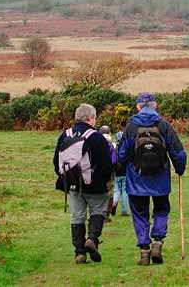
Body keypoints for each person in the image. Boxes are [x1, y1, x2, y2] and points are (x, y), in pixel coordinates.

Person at [118, 92, 187, 266]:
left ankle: (144, 251)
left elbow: (122, 154)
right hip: (160, 179)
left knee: (140, 214)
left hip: (136, 180)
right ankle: (157, 241)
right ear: (155, 105)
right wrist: (180, 169)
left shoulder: (131, 127)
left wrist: (120, 169)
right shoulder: (164, 125)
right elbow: (178, 152)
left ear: (138, 107)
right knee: (161, 210)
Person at [53, 104, 113, 264]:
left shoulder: (65, 135)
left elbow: (56, 162)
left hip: (72, 185)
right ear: (91, 118)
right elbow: (106, 164)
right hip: (94, 185)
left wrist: (67, 178)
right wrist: (103, 181)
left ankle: (79, 252)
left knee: (77, 216)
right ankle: (92, 239)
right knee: (98, 211)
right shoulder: (96, 136)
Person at [99, 125, 116, 222]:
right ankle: (107, 215)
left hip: (99, 171)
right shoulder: (112, 145)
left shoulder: (97, 142)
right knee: (110, 193)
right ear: (109, 133)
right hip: (110, 172)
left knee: (99, 192)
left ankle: (98, 213)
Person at [112, 130, 129, 217]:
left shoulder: (113, 148)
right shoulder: (126, 149)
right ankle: (124, 210)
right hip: (125, 173)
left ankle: (114, 203)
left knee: (116, 190)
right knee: (125, 191)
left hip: (116, 173)